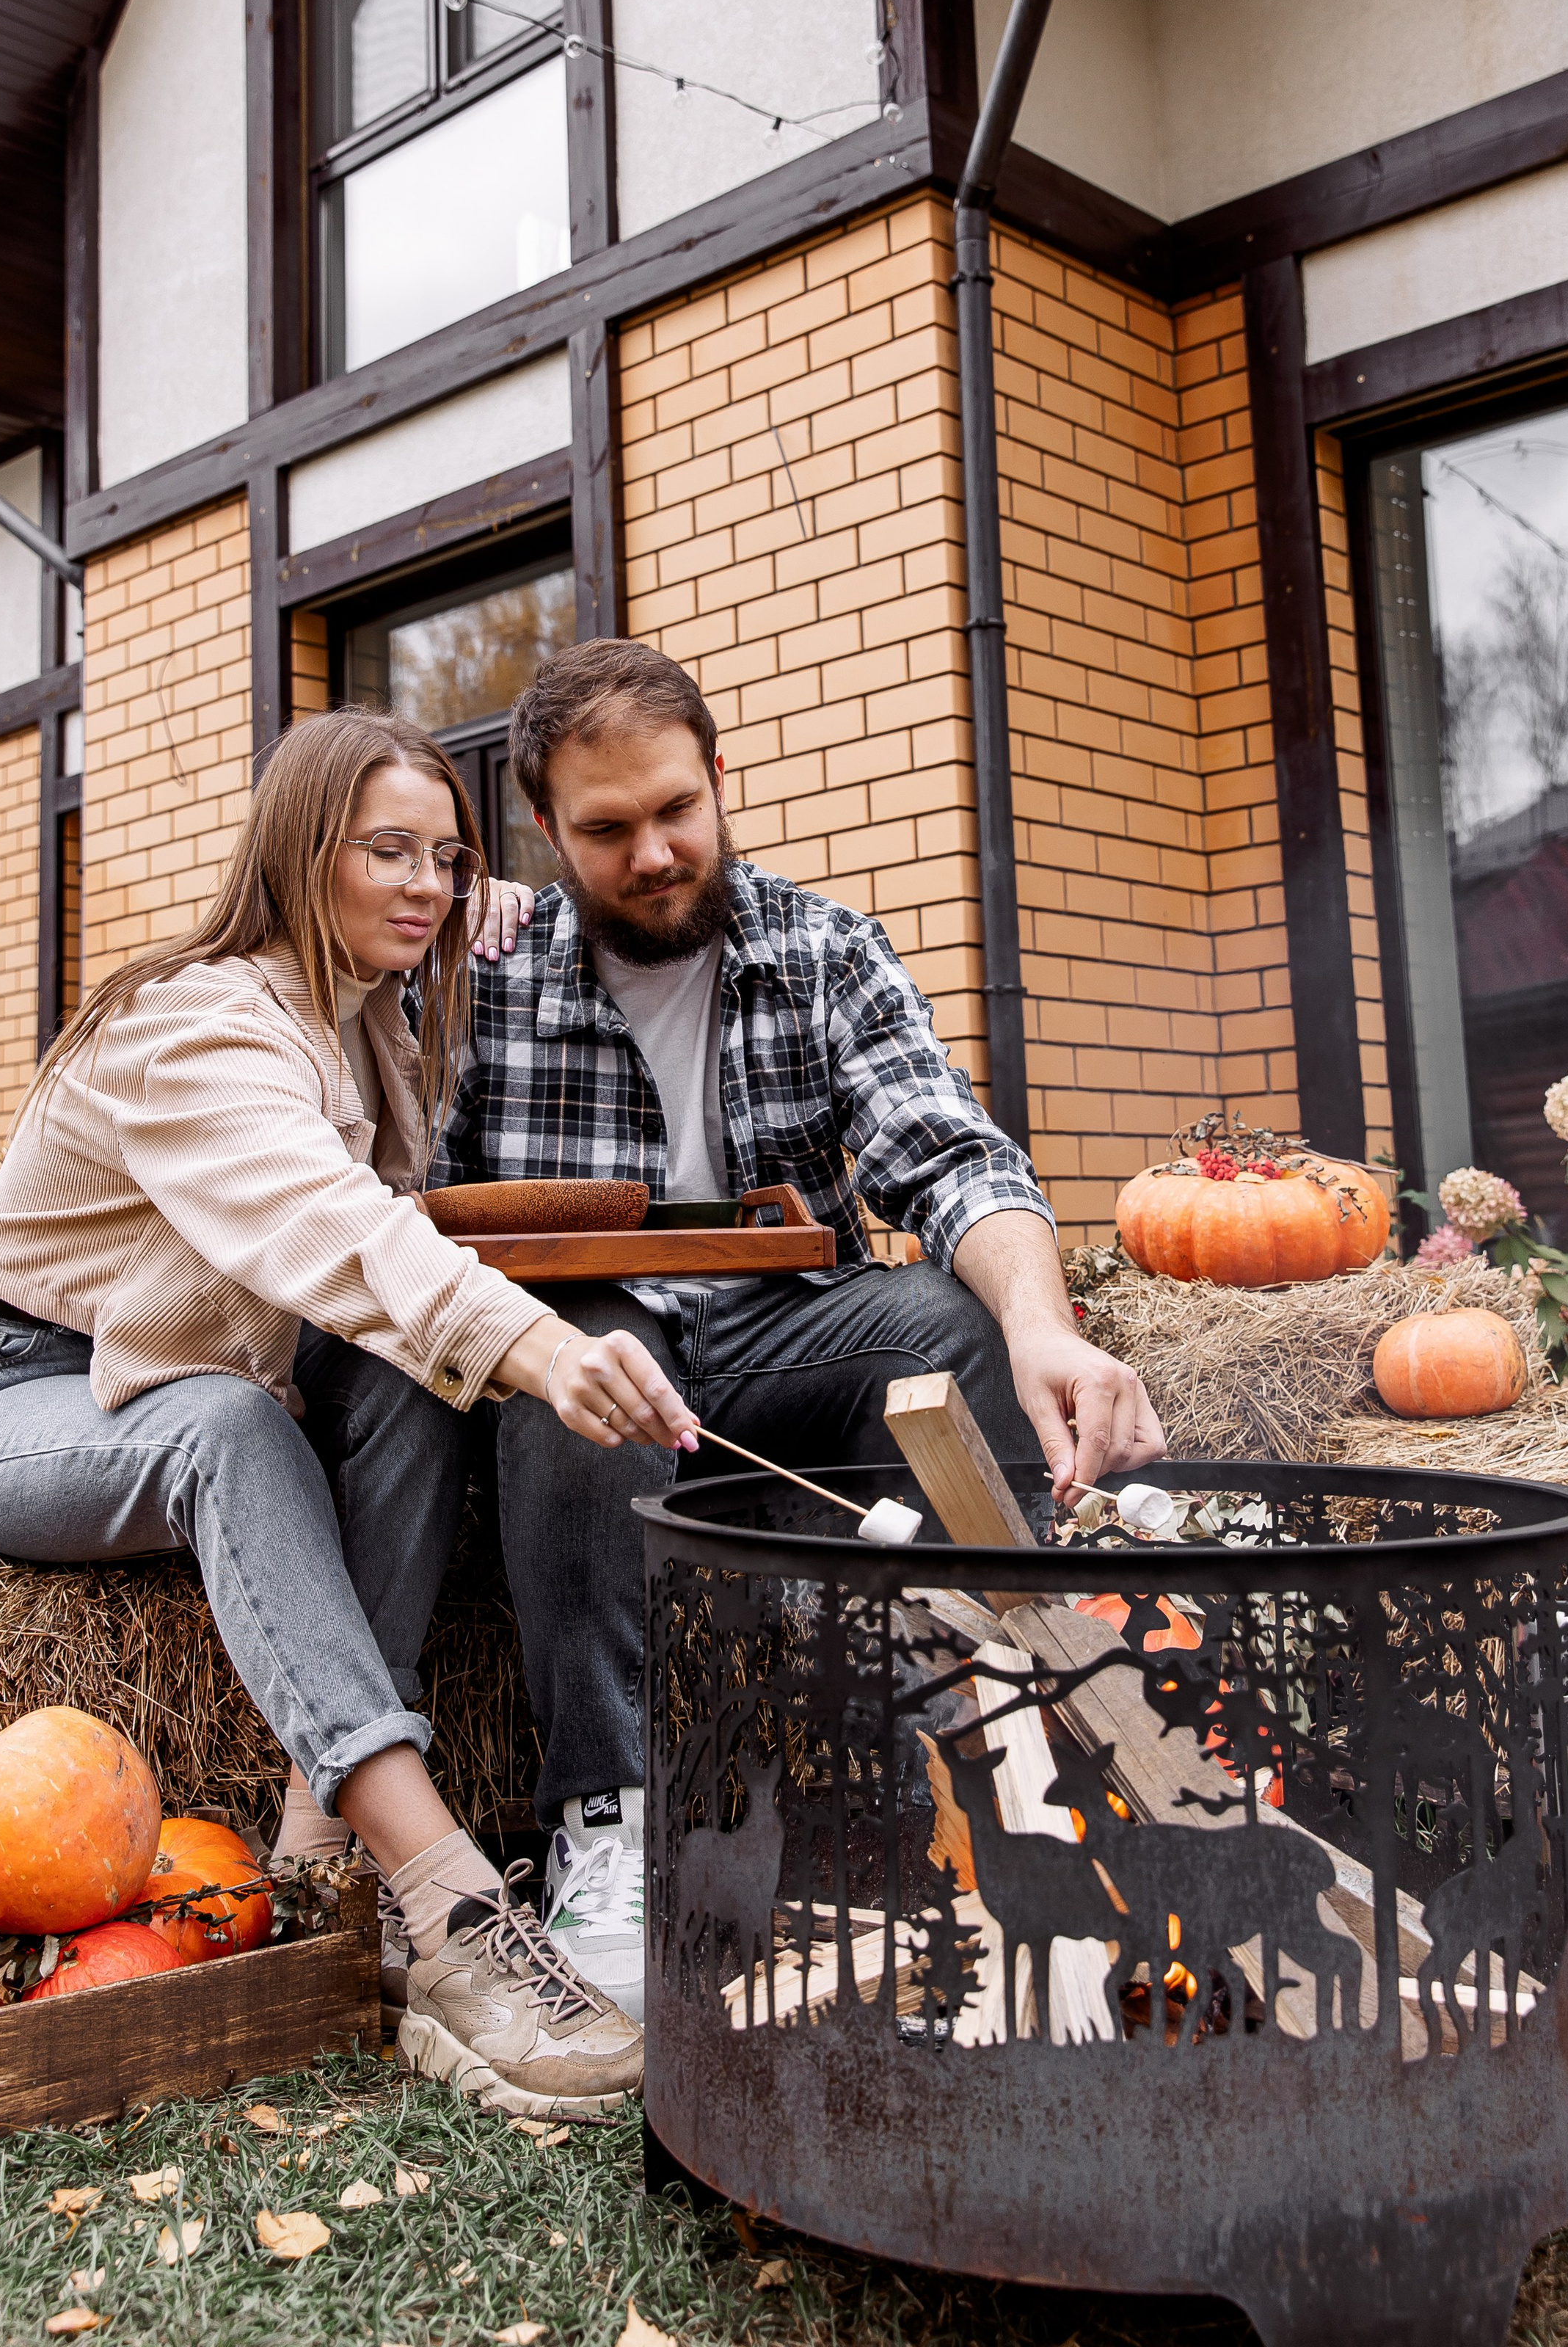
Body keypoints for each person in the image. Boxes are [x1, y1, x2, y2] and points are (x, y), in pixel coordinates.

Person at [0, 706, 701, 2115]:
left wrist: (499, 892)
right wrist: (535, 1348)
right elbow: (330, 1228)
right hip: (21, 1393)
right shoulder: (199, 1023)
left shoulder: (361, 1015)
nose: (426, 886)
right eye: (385, 852)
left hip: (192, 1366)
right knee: (228, 1429)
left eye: (447, 860)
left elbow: (465, 920)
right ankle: (445, 1894)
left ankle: (314, 1847)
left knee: (386, 1374)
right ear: (297, 854)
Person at [438, 638, 1164, 2017]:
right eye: (605, 830)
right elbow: (403, 1211)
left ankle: (1005, 1751)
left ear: (720, 780)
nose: (652, 854)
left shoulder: (826, 950)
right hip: (587, 1365)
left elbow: (948, 1157)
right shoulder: (487, 972)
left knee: (949, 1324)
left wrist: (1041, 1324)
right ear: (544, 830)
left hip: (786, 1335)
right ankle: (612, 1818)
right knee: (587, 1344)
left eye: (675, 811)